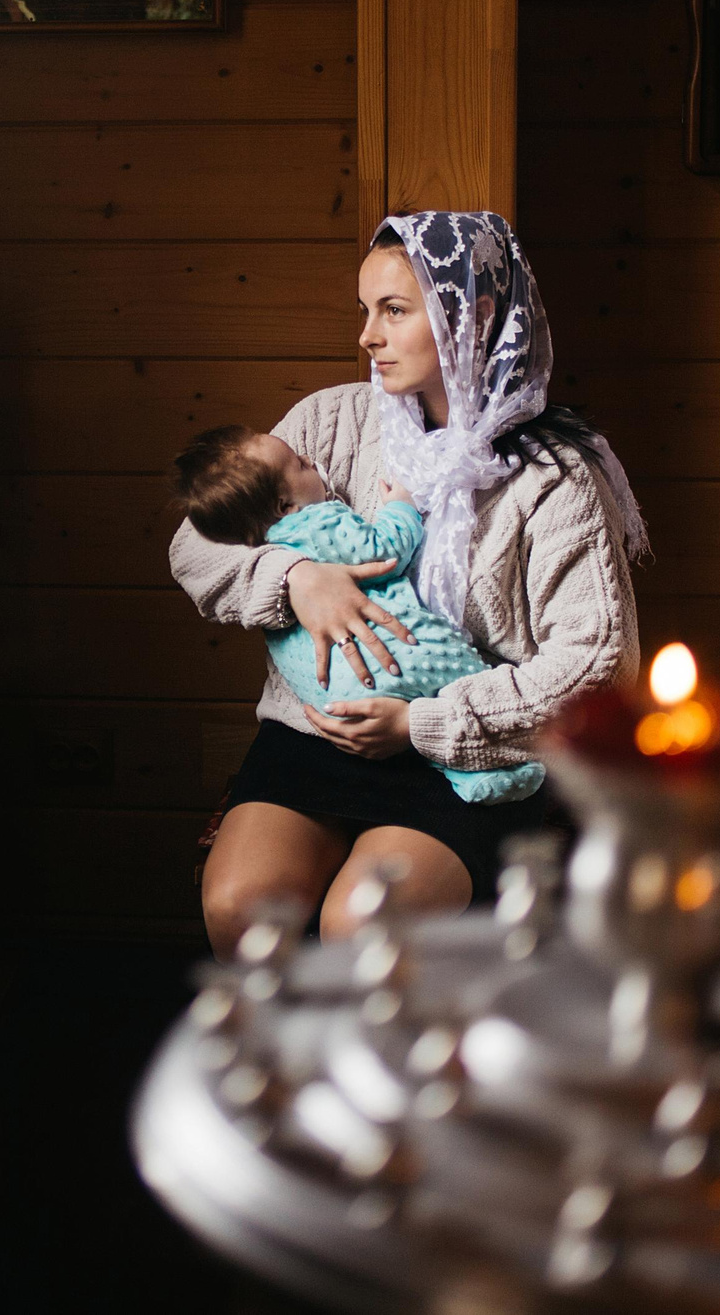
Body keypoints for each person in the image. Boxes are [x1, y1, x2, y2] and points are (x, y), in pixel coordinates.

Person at [170, 212, 651, 955]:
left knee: (362, 924)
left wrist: (423, 723)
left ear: (473, 318)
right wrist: (293, 577)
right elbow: (196, 541)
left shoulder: (555, 477)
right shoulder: (330, 419)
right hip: (319, 730)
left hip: (471, 750)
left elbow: (599, 666)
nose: (367, 335)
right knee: (241, 908)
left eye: (393, 310)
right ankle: (284, 1036)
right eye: (365, 310)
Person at [168, 424, 547, 807]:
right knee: (458, 670)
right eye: (301, 464)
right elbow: (382, 550)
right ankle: (487, 772)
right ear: (285, 507)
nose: (310, 458)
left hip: (336, 706)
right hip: (396, 665)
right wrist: (401, 505)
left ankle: (459, 768)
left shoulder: (257, 536)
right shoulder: (318, 521)